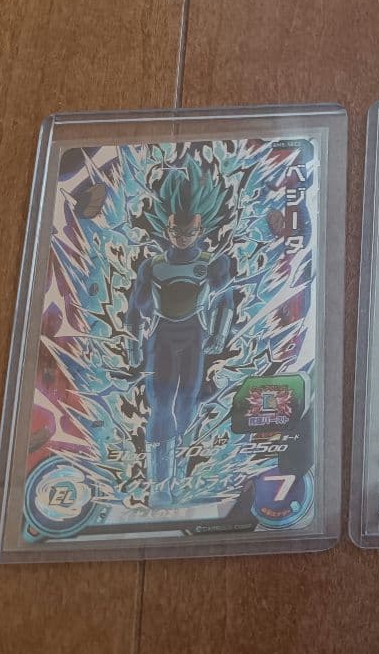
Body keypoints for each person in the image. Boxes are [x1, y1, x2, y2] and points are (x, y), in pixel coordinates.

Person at [126, 159, 234, 506]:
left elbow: (226, 301)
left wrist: (219, 335)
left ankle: (183, 456)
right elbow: (135, 308)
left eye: (190, 231)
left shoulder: (212, 264)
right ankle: (160, 483)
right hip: (161, 339)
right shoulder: (153, 265)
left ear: (200, 230)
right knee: (160, 406)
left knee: (186, 402)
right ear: (167, 228)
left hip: (194, 339)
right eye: (177, 231)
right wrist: (133, 344)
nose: (183, 237)